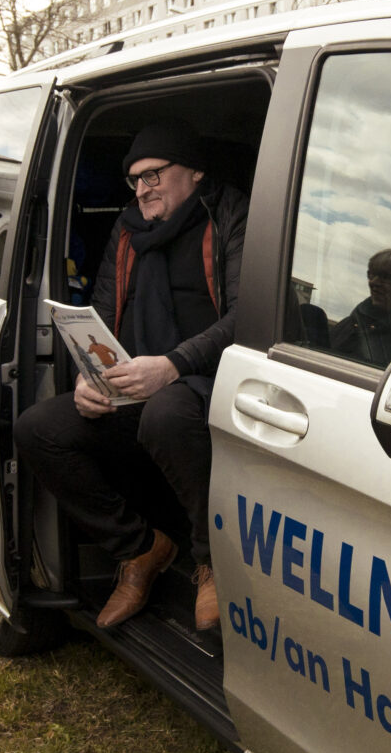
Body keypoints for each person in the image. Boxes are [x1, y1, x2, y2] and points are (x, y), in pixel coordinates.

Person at [14, 121, 245, 632]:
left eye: (153, 175)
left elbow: (246, 316)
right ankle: (140, 548)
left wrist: (173, 365)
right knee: (38, 429)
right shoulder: (126, 231)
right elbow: (99, 312)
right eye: (135, 180)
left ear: (195, 172)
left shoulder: (230, 214)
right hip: (136, 382)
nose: (142, 189)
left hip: (209, 382)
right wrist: (89, 377)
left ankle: (210, 559)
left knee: (167, 410)